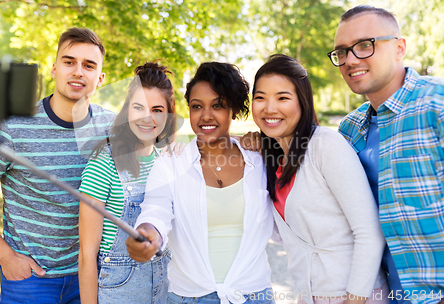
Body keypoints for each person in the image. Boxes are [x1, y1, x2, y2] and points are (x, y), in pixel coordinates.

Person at [0, 27, 116, 303]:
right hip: (31, 281)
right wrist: (6, 257)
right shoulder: (13, 128)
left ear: (99, 78)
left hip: (92, 275)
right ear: (54, 69)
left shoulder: (112, 128)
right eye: (69, 62)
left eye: (88, 65)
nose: (78, 71)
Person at [126, 62, 275, 304]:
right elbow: (156, 211)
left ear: (233, 110)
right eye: (197, 107)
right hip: (190, 297)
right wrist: (147, 234)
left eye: (218, 105)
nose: (206, 115)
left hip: (254, 294)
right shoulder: (171, 163)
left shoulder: (259, 160)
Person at [250, 54, 387, 304]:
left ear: (302, 102)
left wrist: (353, 300)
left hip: (358, 295)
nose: (269, 108)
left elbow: (369, 232)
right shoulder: (271, 159)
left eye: (282, 97)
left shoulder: (324, 145)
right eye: (260, 97)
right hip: (311, 294)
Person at [331, 5, 444, 302]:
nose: (350, 60)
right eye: (341, 52)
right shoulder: (350, 129)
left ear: (399, 48)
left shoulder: (437, 105)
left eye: (365, 45)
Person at [78, 61, 178, 304]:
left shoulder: (166, 162)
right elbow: (87, 254)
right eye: (138, 107)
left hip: (164, 292)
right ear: (127, 111)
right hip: (121, 294)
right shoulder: (105, 163)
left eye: (157, 109)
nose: (147, 117)